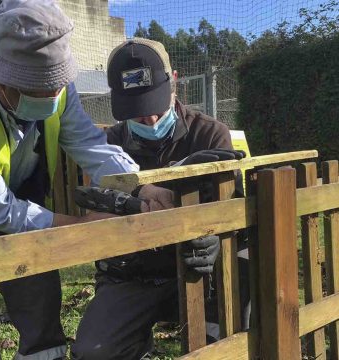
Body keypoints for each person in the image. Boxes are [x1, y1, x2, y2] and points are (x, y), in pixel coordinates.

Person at [0, 2, 174, 360]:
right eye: (37, 93)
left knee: (36, 277)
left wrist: (138, 184)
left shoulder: (53, 78)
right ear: (2, 80)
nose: (50, 99)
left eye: (54, 89)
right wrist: (81, 228)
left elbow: (86, 142)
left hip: (8, 185)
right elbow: (1, 212)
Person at [72, 38, 249, 360]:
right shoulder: (107, 146)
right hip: (134, 273)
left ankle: (216, 334)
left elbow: (234, 210)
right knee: (93, 352)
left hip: (201, 269)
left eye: (156, 107)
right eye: (138, 113)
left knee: (220, 342)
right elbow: (93, 203)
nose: (150, 121)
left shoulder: (210, 134)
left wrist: (219, 238)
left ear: (175, 82)